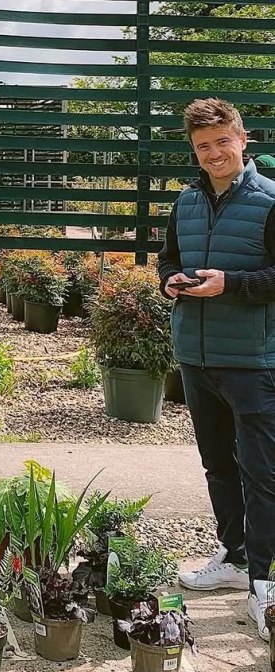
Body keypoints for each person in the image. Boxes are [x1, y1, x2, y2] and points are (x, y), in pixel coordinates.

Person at [158, 97, 275, 641]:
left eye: (222, 142)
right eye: (203, 147)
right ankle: (233, 557)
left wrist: (232, 284)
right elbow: (168, 260)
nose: (214, 154)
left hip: (253, 362)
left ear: (243, 138)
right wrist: (171, 282)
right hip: (196, 358)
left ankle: (264, 584)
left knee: (261, 473)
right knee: (218, 467)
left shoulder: (272, 200)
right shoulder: (185, 202)